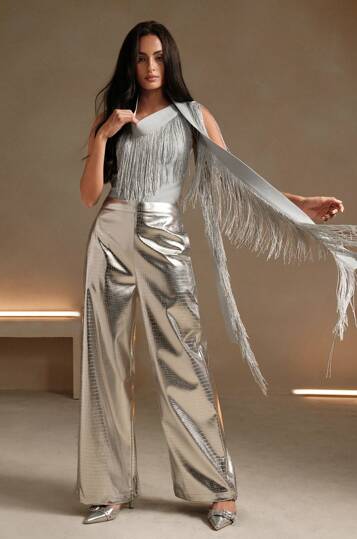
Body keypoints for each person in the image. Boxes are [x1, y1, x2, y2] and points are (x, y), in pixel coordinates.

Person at [76, 20, 356, 531]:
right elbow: (90, 194)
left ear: (170, 61)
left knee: (184, 358)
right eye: (140, 57)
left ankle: (217, 490)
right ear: (129, 63)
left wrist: (298, 204)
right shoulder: (111, 118)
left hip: (164, 236)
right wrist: (102, 138)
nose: (150, 67)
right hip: (109, 236)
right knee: (104, 361)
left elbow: (236, 177)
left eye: (158, 57)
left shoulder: (192, 115)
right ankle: (106, 488)